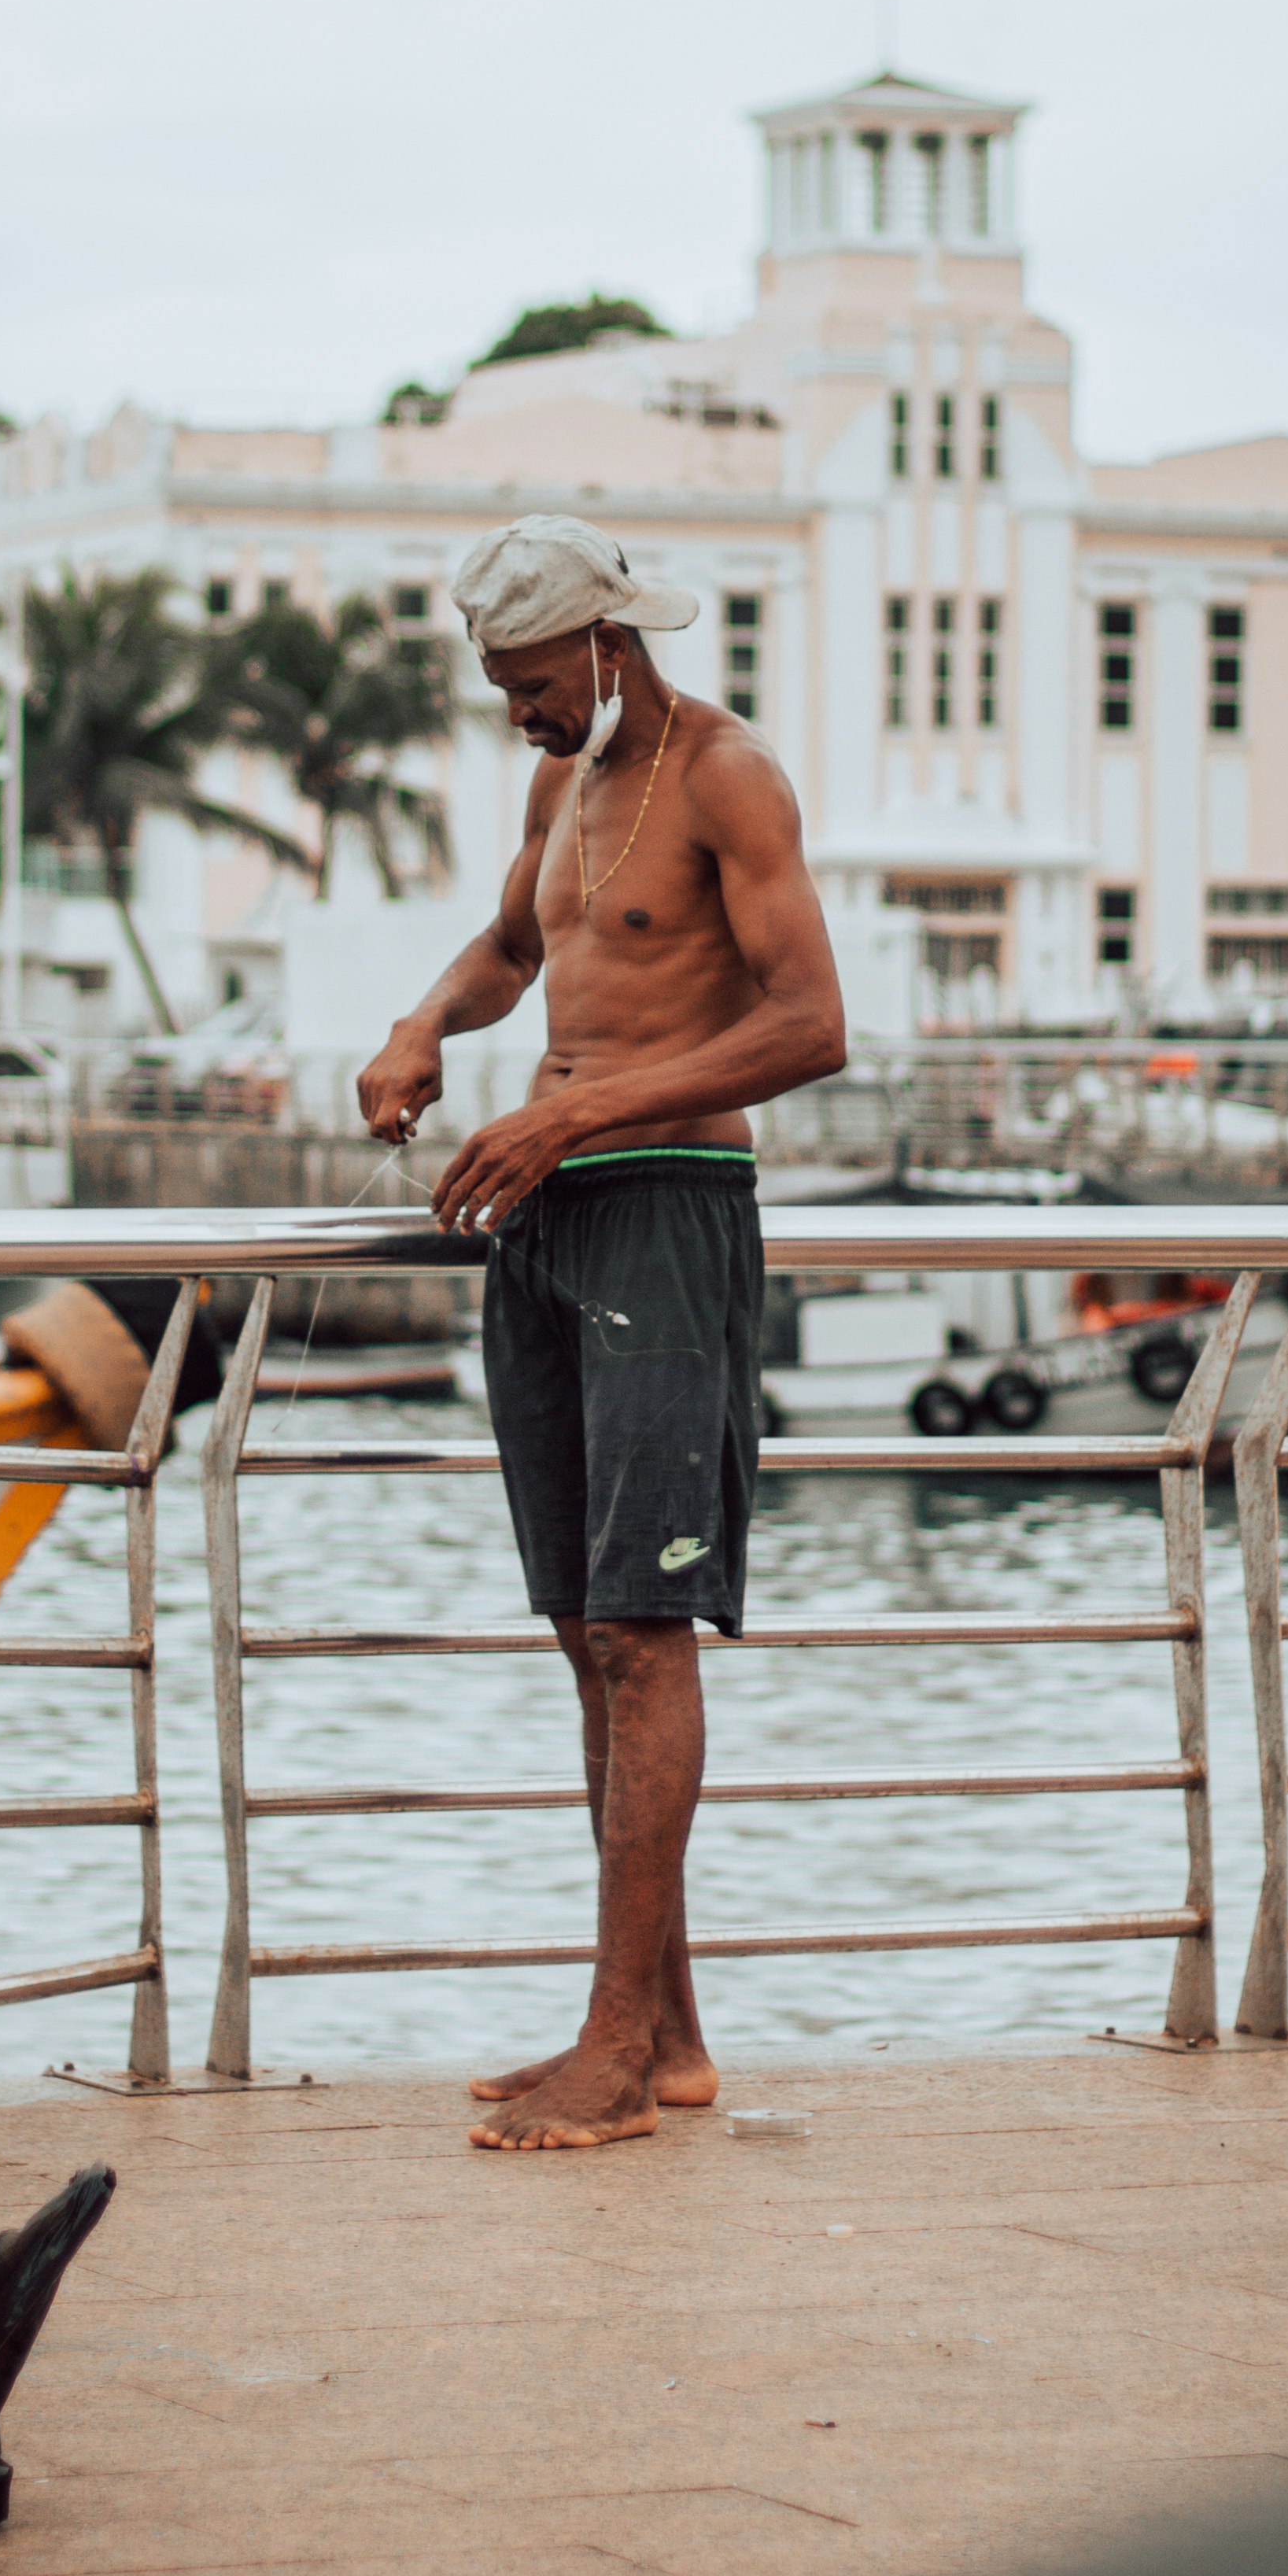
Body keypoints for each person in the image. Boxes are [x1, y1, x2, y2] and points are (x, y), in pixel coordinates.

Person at [356, 514, 846, 2152]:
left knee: (646, 1634)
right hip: (545, 1221)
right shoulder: (562, 789)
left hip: (661, 1213)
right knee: (586, 1630)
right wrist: (425, 1026)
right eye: (496, 687)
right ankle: (669, 2037)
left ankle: (617, 2044)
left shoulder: (728, 777)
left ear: (608, 645)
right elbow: (513, 952)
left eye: (528, 682)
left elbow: (808, 1024)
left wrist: (578, 1120)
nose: (514, 713)